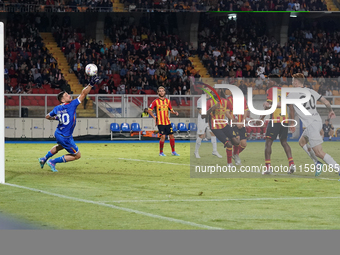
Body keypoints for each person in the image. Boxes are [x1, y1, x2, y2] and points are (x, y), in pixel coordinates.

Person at [38, 76, 100, 172]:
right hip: (65, 136)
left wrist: (55, 118)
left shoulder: (57, 108)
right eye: (67, 95)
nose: (69, 96)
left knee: (60, 147)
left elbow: (47, 116)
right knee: (77, 155)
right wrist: (90, 84)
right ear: (62, 100)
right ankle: (53, 161)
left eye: (68, 94)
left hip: (58, 133)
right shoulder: (72, 104)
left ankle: (44, 159)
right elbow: (83, 94)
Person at [288, 73, 339, 176]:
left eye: (293, 80)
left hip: (311, 125)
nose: (292, 82)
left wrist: (270, 104)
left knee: (319, 152)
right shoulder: (311, 91)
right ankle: (317, 163)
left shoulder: (293, 93)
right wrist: (330, 111)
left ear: (297, 82)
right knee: (302, 142)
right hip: (317, 121)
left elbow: (282, 104)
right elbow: (325, 101)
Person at [259, 74, 295, 174]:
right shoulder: (285, 91)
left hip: (275, 119)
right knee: (284, 142)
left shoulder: (271, 90)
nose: (268, 82)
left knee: (268, 142)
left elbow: (268, 106)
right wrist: (292, 123)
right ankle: (291, 164)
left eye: (269, 80)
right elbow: (291, 108)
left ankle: (268, 168)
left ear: (274, 82)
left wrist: (261, 117)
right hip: (285, 120)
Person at [206, 89, 239, 166]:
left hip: (224, 125)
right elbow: (203, 115)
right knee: (229, 144)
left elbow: (232, 110)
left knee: (237, 142)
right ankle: (229, 163)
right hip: (215, 127)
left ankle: (235, 155)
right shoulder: (209, 102)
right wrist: (211, 108)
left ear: (220, 91)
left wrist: (234, 118)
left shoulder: (226, 101)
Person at [148, 86, 180, 156]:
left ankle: (173, 152)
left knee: (171, 135)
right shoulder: (155, 101)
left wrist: (174, 112)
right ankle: (161, 152)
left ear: (165, 92)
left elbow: (171, 110)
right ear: (158, 92)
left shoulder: (167, 101)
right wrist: (154, 117)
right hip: (160, 122)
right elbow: (149, 110)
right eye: (160, 91)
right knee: (163, 136)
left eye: (163, 91)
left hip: (167, 122)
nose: (161, 92)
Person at [194, 90, 222, 159]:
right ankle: (196, 151)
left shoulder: (212, 100)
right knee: (201, 135)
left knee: (213, 133)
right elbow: (200, 111)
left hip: (210, 119)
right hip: (202, 119)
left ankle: (215, 151)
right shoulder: (200, 99)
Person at [227, 95, 249, 165]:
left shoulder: (243, 98)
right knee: (236, 141)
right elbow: (227, 112)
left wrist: (242, 121)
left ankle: (235, 154)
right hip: (233, 124)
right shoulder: (228, 99)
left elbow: (245, 111)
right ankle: (234, 159)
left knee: (244, 144)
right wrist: (236, 123)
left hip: (241, 124)